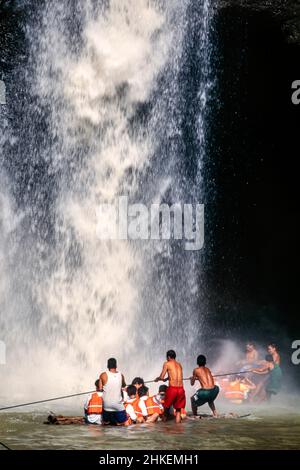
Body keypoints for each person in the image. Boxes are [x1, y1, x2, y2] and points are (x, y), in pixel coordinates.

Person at [155, 350, 186, 423]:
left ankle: (164, 426)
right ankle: (178, 427)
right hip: (181, 389)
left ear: (168, 357)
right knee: (178, 410)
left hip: (173, 389)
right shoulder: (179, 364)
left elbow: (161, 377)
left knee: (166, 408)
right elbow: (176, 376)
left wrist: (157, 379)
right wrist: (167, 378)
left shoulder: (167, 364)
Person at [99, 358, 129, 426]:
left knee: (105, 422)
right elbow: (124, 385)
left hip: (106, 405)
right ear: (116, 365)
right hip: (118, 405)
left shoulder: (103, 375)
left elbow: (100, 389)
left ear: (107, 366)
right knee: (125, 422)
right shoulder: (121, 375)